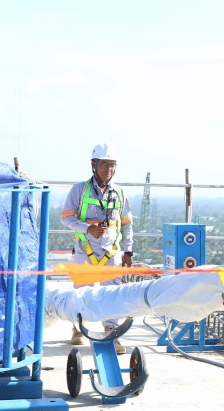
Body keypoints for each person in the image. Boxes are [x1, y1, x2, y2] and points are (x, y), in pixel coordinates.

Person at [60, 143, 134, 355]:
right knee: (81, 291)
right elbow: (66, 218)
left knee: (113, 292)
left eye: (112, 165)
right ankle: (78, 327)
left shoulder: (119, 193)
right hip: (86, 248)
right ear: (93, 165)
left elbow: (127, 223)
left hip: (111, 251)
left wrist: (128, 251)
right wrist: (87, 228)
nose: (108, 169)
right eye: (104, 165)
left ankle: (112, 330)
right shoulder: (79, 190)